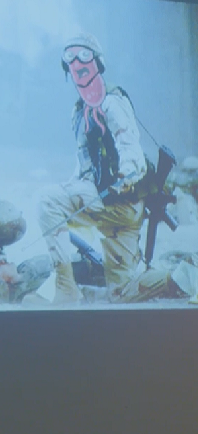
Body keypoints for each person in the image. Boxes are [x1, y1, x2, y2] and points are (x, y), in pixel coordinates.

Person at [28, 33, 168, 306]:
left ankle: (66, 289)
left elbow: (133, 154)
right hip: (112, 206)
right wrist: (69, 194)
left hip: (122, 202)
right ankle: (181, 279)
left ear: (98, 63)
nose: (77, 63)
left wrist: (123, 181)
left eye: (84, 56)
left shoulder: (111, 102)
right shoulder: (79, 111)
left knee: (46, 200)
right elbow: (84, 167)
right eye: (70, 58)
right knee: (121, 294)